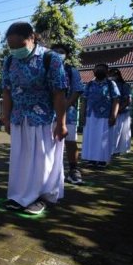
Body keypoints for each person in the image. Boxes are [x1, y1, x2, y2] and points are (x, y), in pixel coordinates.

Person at [1, 22, 68, 215]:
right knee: (21, 159)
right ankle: (20, 195)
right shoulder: (9, 62)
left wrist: (62, 123)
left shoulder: (50, 59)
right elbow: (7, 92)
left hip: (43, 119)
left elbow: (59, 93)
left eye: (19, 45)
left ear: (32, 38)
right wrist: (6, 118)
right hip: (19, 118)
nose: (15, 50)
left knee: (42, 159)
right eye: (11, 47)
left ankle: (41, 197)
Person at [51, 43, 85, 185]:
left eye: (61, 52)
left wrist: (65, 105)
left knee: (70, 142)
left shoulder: (72, 71)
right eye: (55, 52)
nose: (58, 54)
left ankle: (73, 171)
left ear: (67, 55)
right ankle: (50, 172)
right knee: (49, 143)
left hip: (68, 114)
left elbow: (77, 90)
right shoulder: (45, 70)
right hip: (47, 115)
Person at [81, 63, 120, 167]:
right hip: (90, 115)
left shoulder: (111, 84)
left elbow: (116, 100)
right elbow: (84, 100)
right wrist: (82, 115)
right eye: (97, 69)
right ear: (94, 71)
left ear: (107, 72)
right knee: (91, 138)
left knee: (104, 138)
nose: (99, 71)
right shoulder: (89, 84)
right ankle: (91, 159)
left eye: (102, 69)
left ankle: (102, 160)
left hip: (105, 115)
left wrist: (114, 115)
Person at [109, 68, 132, 155]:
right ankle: (112, 149)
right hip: (112, 112)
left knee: (119, 131)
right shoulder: (110, 85)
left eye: (112, 75)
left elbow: (128, 100)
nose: (110, 77)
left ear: (117, 75)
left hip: (122, 112)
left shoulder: (124, 85)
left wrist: (119, 110)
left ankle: (116, 150)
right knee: (112, 131)